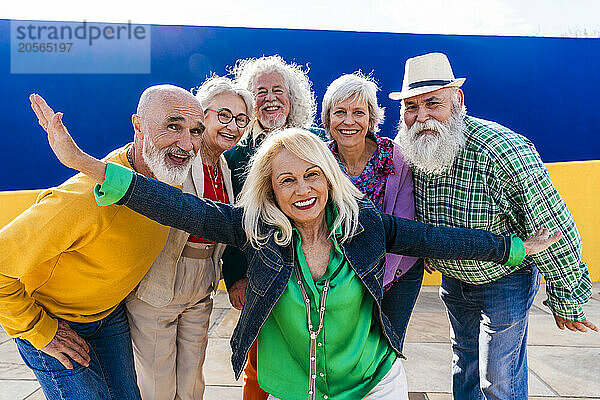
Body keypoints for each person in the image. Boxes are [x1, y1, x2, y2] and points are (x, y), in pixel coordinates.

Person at [39, 107, 560, 400]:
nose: (302, 189)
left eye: (313, 174)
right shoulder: (257, 231)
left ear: (330, 179)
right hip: (293, 389)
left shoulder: (366, 226)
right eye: (286, 180)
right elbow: (181, 208)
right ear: (269, 189)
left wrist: (516, 246)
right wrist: (85, 163)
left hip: (371, 383)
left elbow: (437, 238)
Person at [391, 52, 598, 399]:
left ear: (457, 100)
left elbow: (552, 227)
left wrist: (567, 298)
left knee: (500, 378)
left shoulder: (501, 150)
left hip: (506, 280)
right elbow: (410, 210)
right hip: (454, 281)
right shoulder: (411, 148)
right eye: (411, 107)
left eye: (432, 103)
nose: (422, 117)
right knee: (464, 367)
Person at [1, 85, 204, 400]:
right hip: (53, 320)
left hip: (108, 317)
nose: (188, 143)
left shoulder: (170, 181)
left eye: (196, 131)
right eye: (173, 126)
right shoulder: (84, 198)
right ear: (138, 125)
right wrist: (38, 330)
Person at [124, 77, 253, 400]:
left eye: (240, 119)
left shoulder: (223, 164)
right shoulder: (176, 156)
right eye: (223, 115)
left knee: (192, 381)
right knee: (158, 385)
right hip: (161, 280)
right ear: (202, 116)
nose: (232, 126)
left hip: (202, 284)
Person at [223, 54, 328, 399]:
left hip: (309, 274)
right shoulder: (237, 156)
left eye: (278, 90)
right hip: (260, 274)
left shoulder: (314, 144)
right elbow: (229, 222)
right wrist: (236, 276)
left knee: (308, 359)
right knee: (258, 365)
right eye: (260, 91)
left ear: (292, 97)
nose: (270, 98)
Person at [321, 72, 422, 349]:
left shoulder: (395, 158)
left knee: (384, 349)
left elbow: (403, 227)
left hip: (396, 270)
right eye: (339, 112)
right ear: (328, 118)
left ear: (371, 117)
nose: (349, 121)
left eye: (358, 112)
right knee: (343, 350)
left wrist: (375, 282)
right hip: (340, 274)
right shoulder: (320, 160)